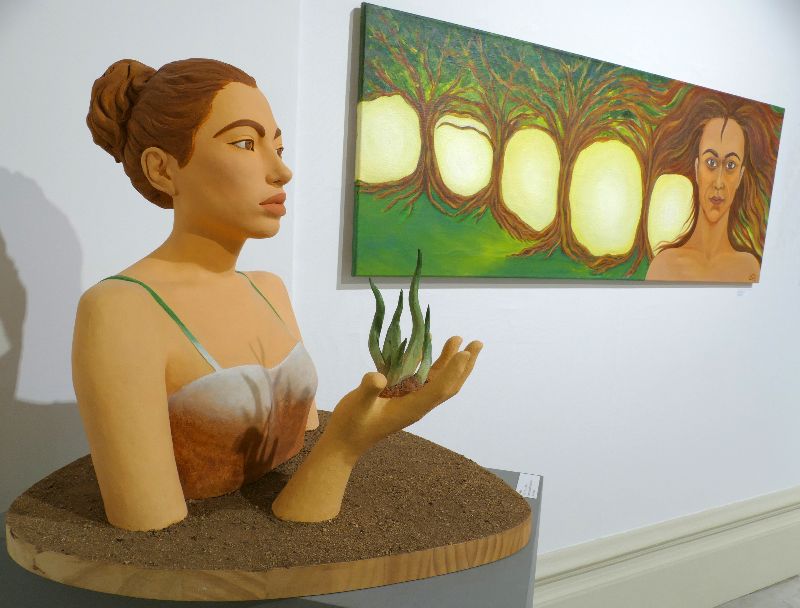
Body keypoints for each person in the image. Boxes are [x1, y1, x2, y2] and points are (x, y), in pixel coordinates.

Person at [76, 58, 481, 531]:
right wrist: (344, 446)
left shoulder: (268, 288)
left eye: (279, 146)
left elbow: (304, 444)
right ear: (162, 169)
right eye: (245, 143)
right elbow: (148, 527)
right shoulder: (121, 310)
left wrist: (354, 435)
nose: (282, 171)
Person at [645, 91, 781, 282]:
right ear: (697, 168)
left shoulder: (749, 268)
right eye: (711, 162)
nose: (718, 183)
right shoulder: (663, 266)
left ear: (740, 176)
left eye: (731, 165)